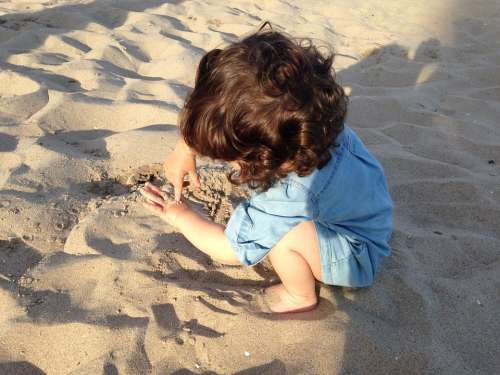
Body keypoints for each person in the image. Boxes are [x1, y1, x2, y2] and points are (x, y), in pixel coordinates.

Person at [139, 25, 393, 314]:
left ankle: (300, 296)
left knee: (285, 236)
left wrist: (179, 215)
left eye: (230, 157)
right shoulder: (312, 123)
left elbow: (230, 249)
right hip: (372, 214)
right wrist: (184, 148)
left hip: (355, 253)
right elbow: (223, 111)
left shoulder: (292, 193)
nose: (227, 162)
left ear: (263, 157)